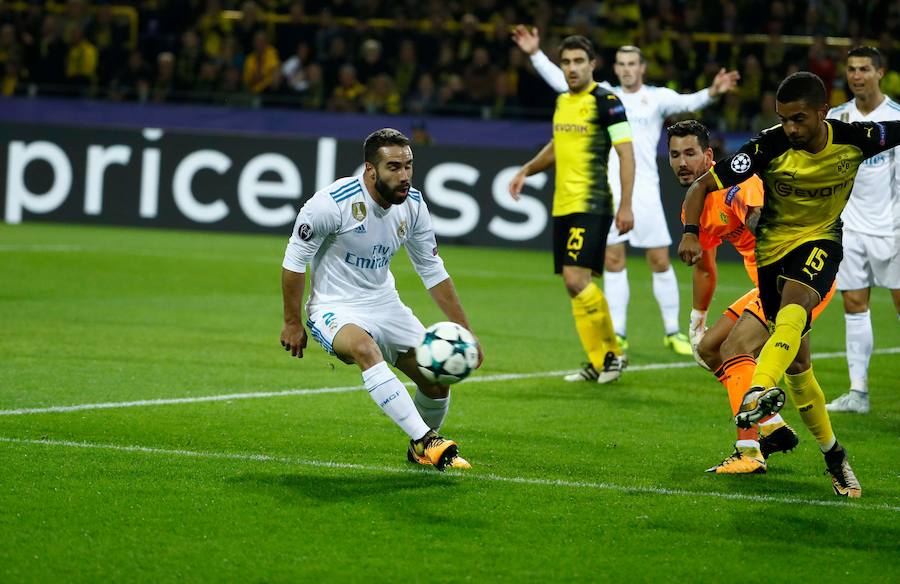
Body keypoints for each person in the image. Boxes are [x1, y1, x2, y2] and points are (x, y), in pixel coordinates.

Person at [678, 71, 900, 497]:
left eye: (798, 119)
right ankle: (834, 454)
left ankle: (758, 395)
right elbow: (705, 183)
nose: (791, 129)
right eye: (783, 119)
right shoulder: (769, 145)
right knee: (799, 370)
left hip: (820, 245)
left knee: (786, 312)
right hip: (771, 258)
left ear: (822, 112)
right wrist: (690, 230)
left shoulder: (857, 137)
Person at [512, 25, 740, 355]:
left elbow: (690, 101)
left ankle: (672, 331)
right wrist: (535, 54)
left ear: (642, 68)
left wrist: (714, 92)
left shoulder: (656, 97)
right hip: (610, 188)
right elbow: (562, 78)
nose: (627, 69)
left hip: (645, 190)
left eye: (633, 63)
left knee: (660, 260)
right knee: (613, 260)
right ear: (614, 68)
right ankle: (618, 332)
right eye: (621, 64)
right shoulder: (604, 95)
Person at [280, 128, 483, 471]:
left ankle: (418, 448)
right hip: (334, 306)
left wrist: (466, 331)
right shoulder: (332, 204)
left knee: (435, 379)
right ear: (370, 170)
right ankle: (426, 440)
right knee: (363, 347)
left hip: (385, 303)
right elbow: (294, 261)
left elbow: (432, 269)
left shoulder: (414, 206)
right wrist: (292, 321)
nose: (404, 176)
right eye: (394, 167)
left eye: (408, 166)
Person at [668, 120, 835, 474]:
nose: (682, 162)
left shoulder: (737, 185)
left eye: (690, 153)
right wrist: (697, 320)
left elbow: (761, 216)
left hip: (796, 279)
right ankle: (773, 426)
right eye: (675, 155)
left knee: (734, 349)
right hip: (768, 286)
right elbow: (704, 267)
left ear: (708, 155)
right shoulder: (695, 207)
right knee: (711, 347)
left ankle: (749, 450)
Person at [508, 35, 635, 384]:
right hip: (563, 205)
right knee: (574, 284)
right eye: (566, 62)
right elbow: (556, 145)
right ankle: (599, 360)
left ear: (592, 64)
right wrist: (526, 170)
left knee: (575, 278)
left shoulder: (607, 101)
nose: (572, 68)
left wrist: (626, 204)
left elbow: (626, 152)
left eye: (579, 61)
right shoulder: (563, 101)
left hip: (592, 202)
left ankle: (612, 356)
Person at [825, 47, 900, 414]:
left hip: (894, 229)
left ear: (880, 72)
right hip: (850, 229)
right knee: (854, 306)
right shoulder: (838, 118)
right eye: (852, 69)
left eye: (865, 69)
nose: (857, 76)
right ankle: (858, 393)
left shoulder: (897, 117)